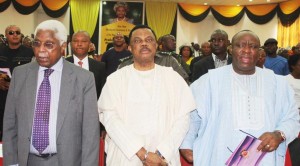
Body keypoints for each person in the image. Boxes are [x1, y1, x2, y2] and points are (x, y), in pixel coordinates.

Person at [180, 30, 300, 165]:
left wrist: (279, 135)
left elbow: (292, 117)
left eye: (253, 46)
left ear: (260, 51)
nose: (247, 50)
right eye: (240, 45)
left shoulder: (278, 83)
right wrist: (186, 144)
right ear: (231, 49)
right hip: (219, 156)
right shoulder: (209, 81)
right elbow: (192, 117)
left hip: (265, 157)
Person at [3, 20, 100, 166]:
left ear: (62, 46)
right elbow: (10, 123)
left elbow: (90, 132)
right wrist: (11, 163)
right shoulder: (20, 74)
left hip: (66, 161)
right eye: (36, 43)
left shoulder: (83, 78)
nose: (40, 50)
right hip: (27, 160)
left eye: (48, 45)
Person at [98, 25, 196, 165]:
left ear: (156, 46)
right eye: (137, 41)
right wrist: (142, 154)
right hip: (126, 157)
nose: (144, 43)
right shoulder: (116, 79)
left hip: (164, 159)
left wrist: (162, 153)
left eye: (149, 39)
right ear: (130, 48)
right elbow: (110, 119)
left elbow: (183, 119)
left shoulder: (173, 78)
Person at [0, 25, 34, 140]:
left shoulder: (30, 52)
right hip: (2, 96)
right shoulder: (0, 50)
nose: (15, 35)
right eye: (11, 32)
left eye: (17, 32)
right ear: (6, 35)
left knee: (21, 128)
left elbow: (34, 74)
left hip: (23, 96)